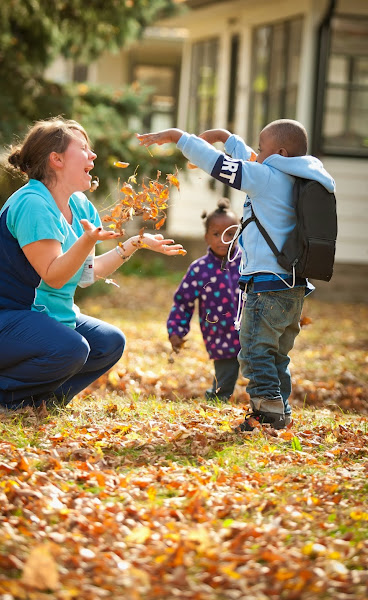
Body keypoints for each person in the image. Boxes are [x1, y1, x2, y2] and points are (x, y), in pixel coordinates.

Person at [0, 116, 184, 415]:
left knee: (108, 342)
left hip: (36, 318)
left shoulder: (80, 205)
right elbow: (53, 276)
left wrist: (135, 243)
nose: (92, 155)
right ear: (56, 159)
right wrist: (87, 241)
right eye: (83, 148)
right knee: (71, 348)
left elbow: (86, 274)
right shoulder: (33, 203)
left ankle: (37, 404)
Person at [137, 119, 336, 431]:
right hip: (293, 286)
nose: (255, 154)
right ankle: (279, 409)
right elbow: (248, 160)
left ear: (279, 153)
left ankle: (266, 413)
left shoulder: (267, 177)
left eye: (261, 149)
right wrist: (224, 136)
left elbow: (221, 166)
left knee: (255, 350)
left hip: (268, 287)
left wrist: (180, 138)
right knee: (276, 355)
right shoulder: (295, 175)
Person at [167, 197, 241, 402]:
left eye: (230, 234)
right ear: (206, 237)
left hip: (252, 332)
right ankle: (216, 402)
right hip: (221, 334)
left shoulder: (249, 263)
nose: (223, 240)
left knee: (261, 372)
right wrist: (176, 330)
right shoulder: (200, 269)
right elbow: (183, 303)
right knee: (225, 378)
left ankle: (265, 404)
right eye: (216, 234)